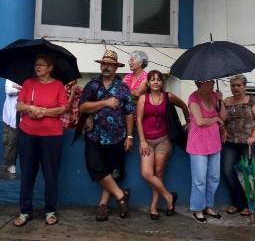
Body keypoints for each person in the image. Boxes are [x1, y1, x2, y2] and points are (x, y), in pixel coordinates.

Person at [79, 50, 135, 222]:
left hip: (117, 137)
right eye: (104, 64)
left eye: (109, 64)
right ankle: (121, 195)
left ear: (115, 68)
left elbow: (129, 113)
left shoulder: (123, 88)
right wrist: (105, 102)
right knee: (95, 167)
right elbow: (82, 107)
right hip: (94, 135)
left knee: (111, 171)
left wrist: (130, 136)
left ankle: (102, 205)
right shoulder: (92, 85)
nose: (106, 66)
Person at [14, 54, 68, 226]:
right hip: (27, 134)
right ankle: (25, 211)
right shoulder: (29, 83)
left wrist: (43, 112)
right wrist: (30, 107)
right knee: (27, 173)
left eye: (42, 65)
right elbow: (19, 105)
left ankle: (50, 210)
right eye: (36, 65)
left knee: (50, 174)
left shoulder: (58, 85)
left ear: (50, 67)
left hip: (51, 137)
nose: (38, 67)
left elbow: (62, 108)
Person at [136, 70, 189, 220]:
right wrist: (142, 141)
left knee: (159, 173)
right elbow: (138, 121)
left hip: (164, 139)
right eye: (152, 80)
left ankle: (153, 206)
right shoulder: (142, 99)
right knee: (147, 173)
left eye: (158, 80)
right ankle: (169, 196)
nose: (155, 82)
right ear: (148, 82)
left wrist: (188, 123)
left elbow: (184, 106)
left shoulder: (168, 97)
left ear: (162, 83)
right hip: (146, 140)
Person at [222, 75, 255, 216]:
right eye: (233, 85)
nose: (235, 88)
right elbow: (221, 121)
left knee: (248, 173)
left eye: (238, 85)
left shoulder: (252, 100)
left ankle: (248, 205)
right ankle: (237, 202)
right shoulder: (226, 102)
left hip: (249, 142)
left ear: (244, 86)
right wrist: (223, 130)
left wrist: (254, 136)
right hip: (231, 142)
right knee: (228, 171)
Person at [187, 79, 227, 223]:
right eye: (208, 81)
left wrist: (221, 102)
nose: (211, 83)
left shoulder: (214, 96)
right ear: (199, 83)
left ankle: (208, 206)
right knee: (199, 180)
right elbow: (199, 121)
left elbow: (223, 117)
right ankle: (198, 209)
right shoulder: (193, 98)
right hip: (198, 144)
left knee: (214, 177)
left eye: (211, 81)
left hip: (214, 142)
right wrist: (215, 118)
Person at [3, 79, 21, 174]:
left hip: (22, 116)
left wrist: (17, 87)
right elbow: (9, 90)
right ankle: (10, 164)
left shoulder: (30, 78)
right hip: (10, 117)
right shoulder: (10, 78)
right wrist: (22, 89)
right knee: (10, 141)